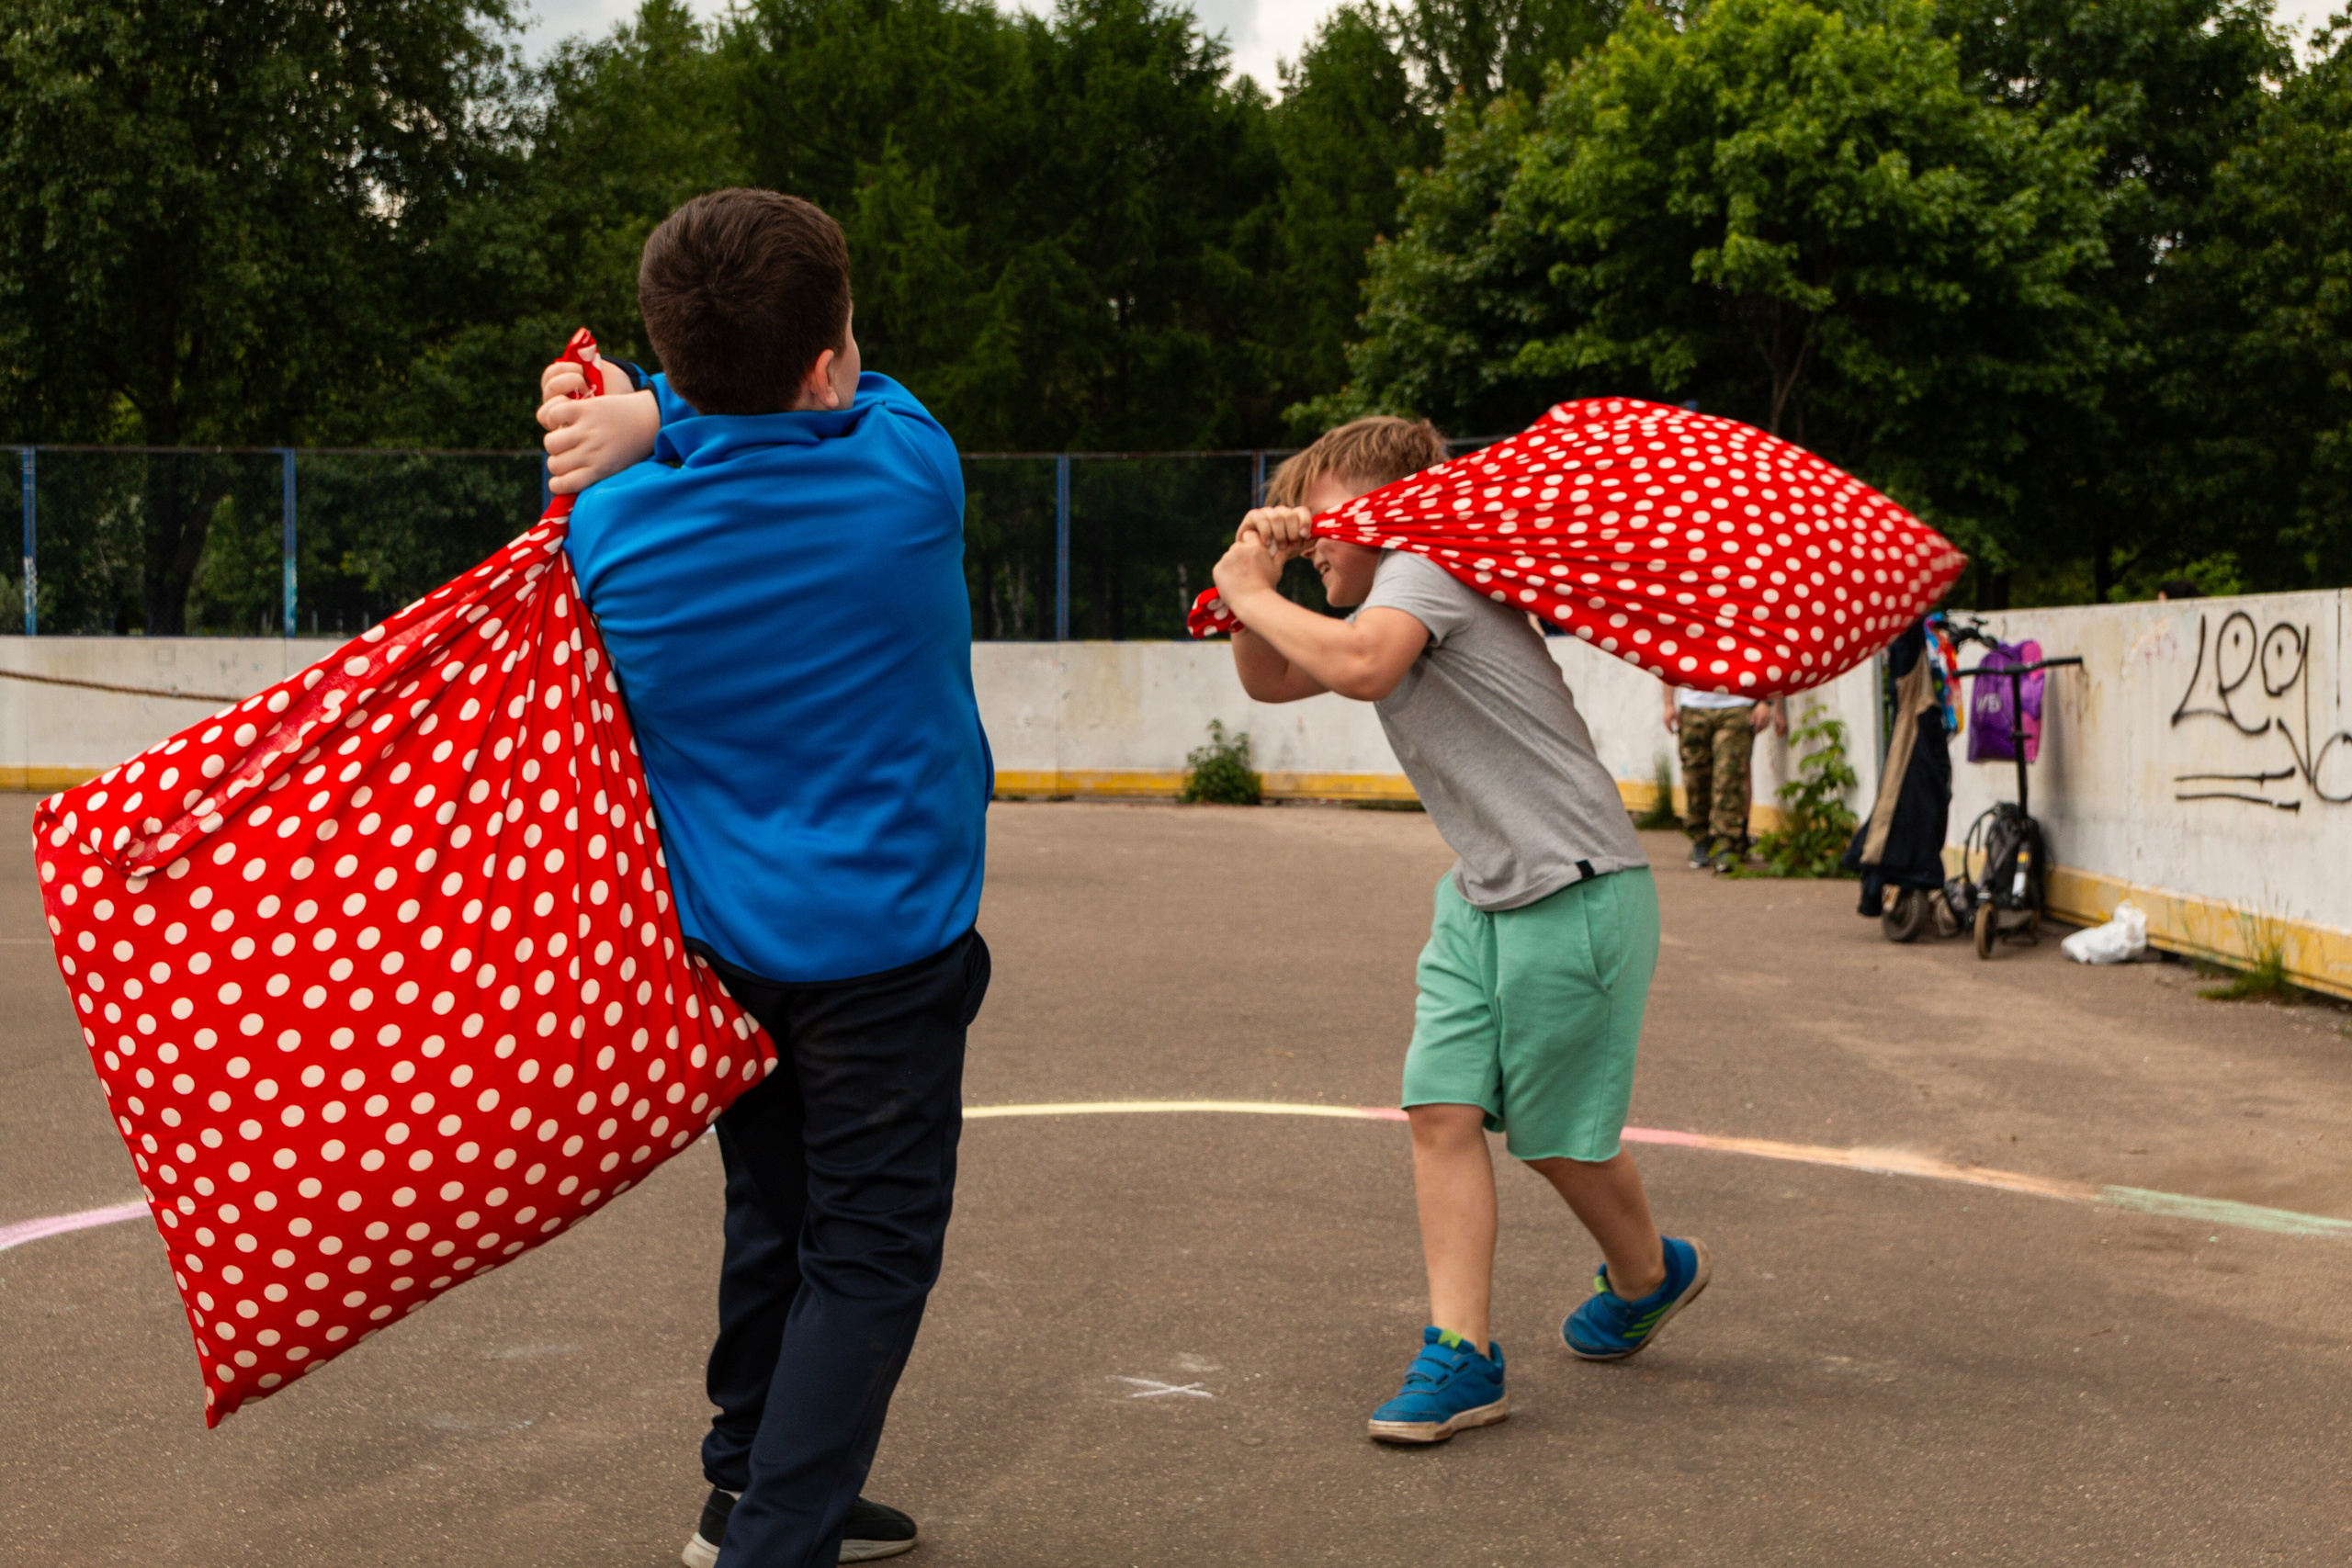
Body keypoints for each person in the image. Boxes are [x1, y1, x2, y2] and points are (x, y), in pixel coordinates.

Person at [534, 189, 992, 1568]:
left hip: (725, 954)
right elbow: (865, 386)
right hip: (889, 958)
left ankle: (747, 1477)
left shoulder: (607, 536)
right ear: (826, 360)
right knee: (868, 1249)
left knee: (776, 1210)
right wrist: (661, 410)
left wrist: (644, 421)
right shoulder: (911, 478)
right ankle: (773, 1541)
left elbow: (719, 411)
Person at [1213, 417, 1711, 1446]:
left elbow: (1356, 666)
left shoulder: (1430, 570)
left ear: (1405, 511)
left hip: (1573, 891)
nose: (1315, 538)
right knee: (1439, 1110)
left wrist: (1255, 593)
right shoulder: (1386, 596)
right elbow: (1270, 680)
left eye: (1331, 516)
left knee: (1554, 1140)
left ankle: (1651, 1273)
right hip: (1482, 893)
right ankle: (1461, 1354)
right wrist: (1247, 593)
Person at [1661, 683, 1785, 872]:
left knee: (1729, 777)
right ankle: (1701, 840)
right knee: (1695, 777)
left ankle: (1727, 845)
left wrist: (1766, 701)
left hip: (1738, 703)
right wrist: (1669, 703)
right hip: (1693, 705)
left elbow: (1767, 655)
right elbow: (1669, 656)